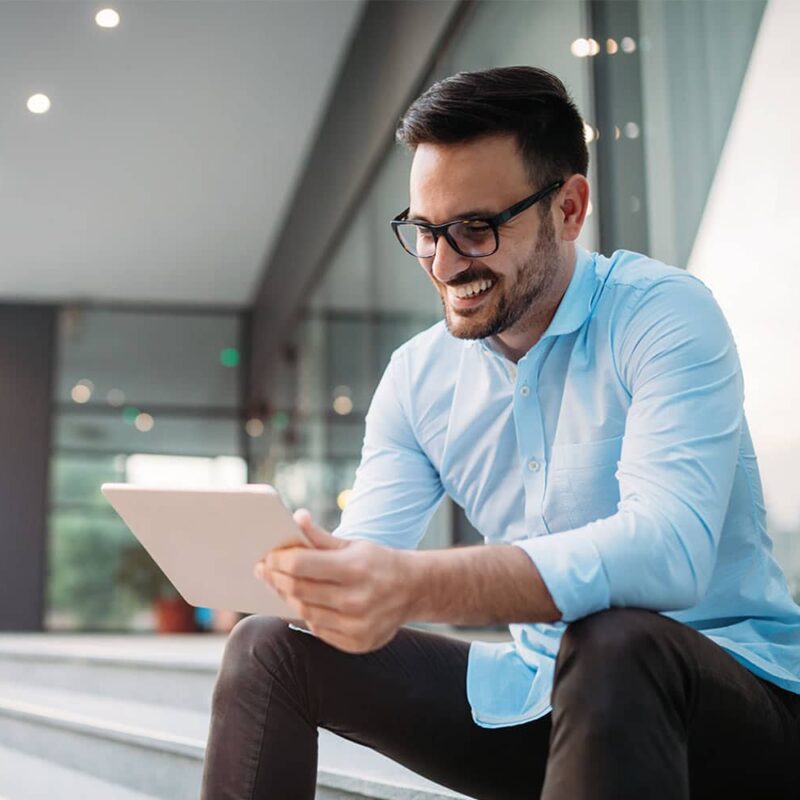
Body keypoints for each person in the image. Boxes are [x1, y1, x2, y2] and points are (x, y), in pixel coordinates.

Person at [201, 66, 800, 800]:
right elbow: (370, 562)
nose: (445, 264)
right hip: (537, 700)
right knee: (269, 647)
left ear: (570, 208)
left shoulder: (663, 314)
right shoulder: (419, 378)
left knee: (614, 638)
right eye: (425, 232)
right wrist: (319, 584)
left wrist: (411, 584)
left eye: (476, 230)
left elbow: (666, 552)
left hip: (726, 702)